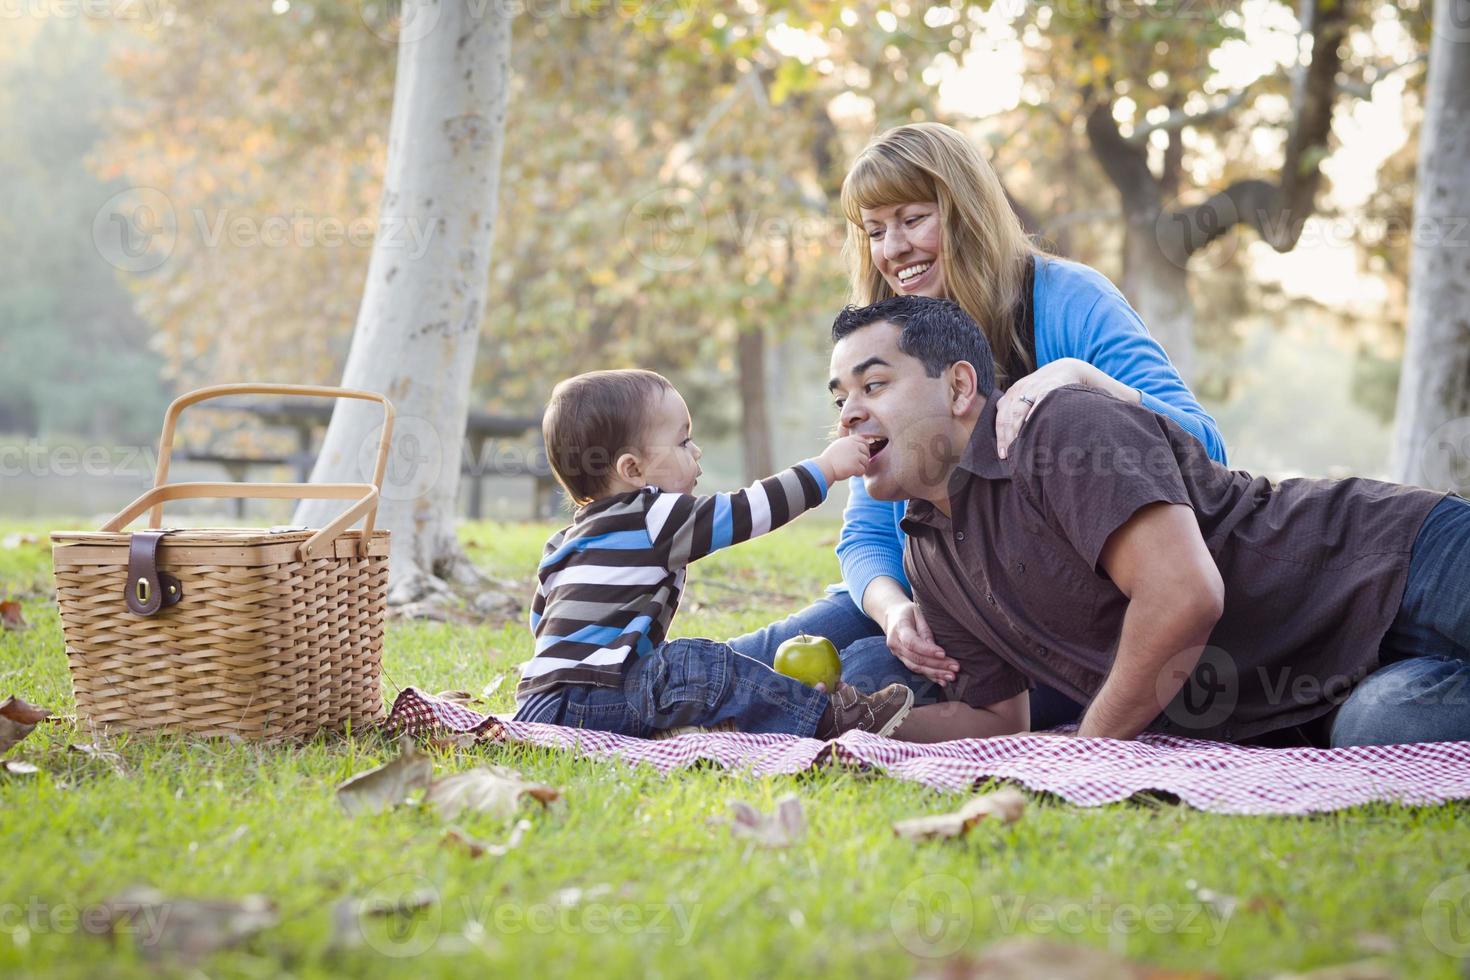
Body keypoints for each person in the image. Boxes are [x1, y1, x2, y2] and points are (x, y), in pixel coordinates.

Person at [729, 122, 1227, 729]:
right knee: (754, 661)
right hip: (936, 594)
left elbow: (1205, 450)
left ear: (965, 211)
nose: (893, 248)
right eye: (876, 230)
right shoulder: (890, 346)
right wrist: (892, 612)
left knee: (861, 680)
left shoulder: (1067, 299)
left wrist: (1081, 377)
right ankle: (612, 688)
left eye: (913, 219)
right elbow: (866, 535)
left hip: (1052, 612)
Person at [825, 294, 1468, 747]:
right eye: (840, 398)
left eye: (873, 386)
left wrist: (1089, 752)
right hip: (1334, 688)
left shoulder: (1060, 427)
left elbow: (1183, 597)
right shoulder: (928, 549)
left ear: (961, 388)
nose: (849, 413)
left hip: (1402, 561)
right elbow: (996, 721)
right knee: (1385, 728)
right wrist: (842, 722)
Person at [511, 369, 914, 740]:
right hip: (595, 700)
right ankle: (823, 718)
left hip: (539, 704)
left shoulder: (563, 543)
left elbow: (543, 622)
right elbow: (748, 510)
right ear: (633, 471)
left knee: (673, 670)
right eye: (683, 441)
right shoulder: (652, 515)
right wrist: (826, 468)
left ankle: (678, 723)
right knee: (694, 662)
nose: (697, 451)